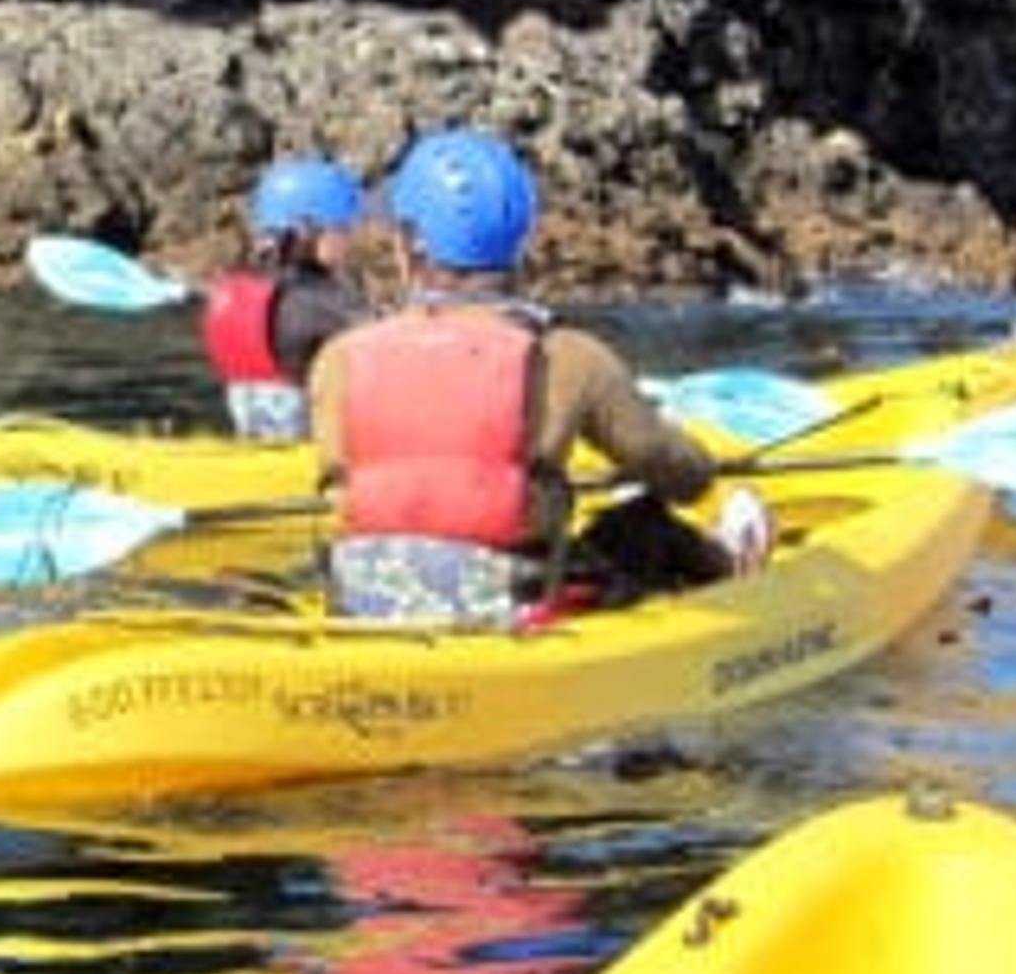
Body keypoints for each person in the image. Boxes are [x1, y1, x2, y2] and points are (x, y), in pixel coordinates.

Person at [307, 127, 765, 626]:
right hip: (507, 606)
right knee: (643, 527)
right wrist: (689, 463)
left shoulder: (339, 358)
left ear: (408, 244)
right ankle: (730, 557)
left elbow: (347, 481)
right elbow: (684, 477)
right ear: (520, 239)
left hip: (365, 596)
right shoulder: (569, 357)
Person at [197, 155, 377, 441]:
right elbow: (388, 355)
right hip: (306, 457)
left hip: (253, 440)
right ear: (308, 230)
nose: (352, 239)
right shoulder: (321, 301)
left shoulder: (236, 285)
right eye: (342, 229)